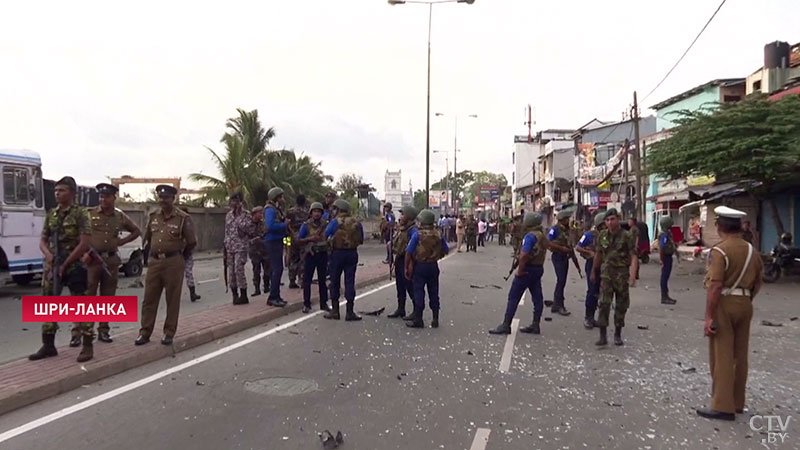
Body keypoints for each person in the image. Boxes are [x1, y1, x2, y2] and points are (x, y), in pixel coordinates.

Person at [696, 206, 763, 421]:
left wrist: (709, 316)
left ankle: (722, 406)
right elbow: (758, 281)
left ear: (720, 227)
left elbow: (715, 285)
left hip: (724, 302)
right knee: (740, 355)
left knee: (722, 354)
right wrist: (745, 299)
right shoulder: (752, 250)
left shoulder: (720, 251)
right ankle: (737, 402)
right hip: (745, 302)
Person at [29, 177, 94, 362]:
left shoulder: (81, 213)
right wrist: (48, 255)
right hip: (53, 264)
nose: (57, 193)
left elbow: (84, 242)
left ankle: (87, 345)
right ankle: (48, 345)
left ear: (72, 193)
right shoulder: (52, 214)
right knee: (49, 304)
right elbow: (42, 240)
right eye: (56, 190)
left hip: (73, 265)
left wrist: (66, 264)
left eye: (62, 190)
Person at [75, 183, 141, 345]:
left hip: (110, 260)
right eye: (101, 196)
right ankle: (80, 332)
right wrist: (83, 253)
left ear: (114, 198)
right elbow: (77, 235)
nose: (103, 199)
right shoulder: (89, 214)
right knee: (86, 297)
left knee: (107, 298)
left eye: (106, 197)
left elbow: (136, 231)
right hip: (91, 261)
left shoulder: (119, 216)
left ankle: (103, 331)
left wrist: (121, 241)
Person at [136, 185, 197, 346]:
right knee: (149, 299)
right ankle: (145, 332)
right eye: (160, 197)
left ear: (173, 199)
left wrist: (181, 257)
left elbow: (191, 242)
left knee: (172, 299)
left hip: (173, 262)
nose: (162, 200)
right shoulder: (153, 216)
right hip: (155, 262)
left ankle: (169, 332)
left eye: (166, 198)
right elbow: (147, 237)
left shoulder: (183, 218)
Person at [489, 212, 548, 335]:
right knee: (537, 297)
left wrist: (520, 270)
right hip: (538, 268)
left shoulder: (530, 236)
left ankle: (506, 324)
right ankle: (536, 324)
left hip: (527, 269)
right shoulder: (542, 235)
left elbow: (525, 254)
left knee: (513, 297)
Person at [591, 208, 637, 347]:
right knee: (604, 303)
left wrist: (633, 276)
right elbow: (599, 254)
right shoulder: (602, 236)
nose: (610, 222)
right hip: (606, 275)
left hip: (621, 275)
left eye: (612, 219)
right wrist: (594, 271)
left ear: (618, 219)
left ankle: (617, 334)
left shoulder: (627, 236)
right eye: (607, 220)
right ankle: (603, 335)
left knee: (621, 305)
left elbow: (634, 256)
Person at [405, 209, 448, 329]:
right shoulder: (438, 234)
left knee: (419, 291)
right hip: (433, 266)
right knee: (434, 292)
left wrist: (407, 266)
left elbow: (409, 251)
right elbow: (445, 250)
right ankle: (435, 319)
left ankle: (418, 319)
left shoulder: (417, 235)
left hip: (420, 266)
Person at [324, 199, 364, 321]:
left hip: (337, 253)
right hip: (352, 253)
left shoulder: (335, 222)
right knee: (349, 281)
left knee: (334, 281)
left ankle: (335, 311)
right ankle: (350, 311)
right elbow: (361, 238)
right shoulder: (356, 222)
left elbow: (326, 234)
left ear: (339, 209)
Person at [296, 202, 329, 313]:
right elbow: (298, 240)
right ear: (311, 213)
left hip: (323, 254)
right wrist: (310, 239)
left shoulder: (325, 224)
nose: (316, 214)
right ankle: (306, 304)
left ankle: (324, 303)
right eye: (314, 211)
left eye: (319, 211)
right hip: (311, 254)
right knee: (307, 281)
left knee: (322, 281)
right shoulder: (306, 225)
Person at [388, 206, 418, 319]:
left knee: (410, 286)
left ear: (409, 217)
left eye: (403, 214)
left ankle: (416, 310)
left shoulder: (413, 230)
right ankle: (401, 309)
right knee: (400, 286)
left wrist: (409, 264)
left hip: (409, 260)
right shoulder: (403, 229)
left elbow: (412, 247)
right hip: (400, 259)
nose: (401, 217)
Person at [576, 214, 605, 329]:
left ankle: (596, 317)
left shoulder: (607, 235)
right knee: (592, 290)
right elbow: (578, 247)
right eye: (603, 224)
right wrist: (590, 253)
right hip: (592, 264)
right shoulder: (589, 235)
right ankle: (588, 317)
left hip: (604, 265)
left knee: (600, 291)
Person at [224, 192, 253, 305]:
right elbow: (226, 231)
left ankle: (243, 294)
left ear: (240, 202)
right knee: (231, 272)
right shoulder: (228, 215)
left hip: (241, 246)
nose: (233, 203)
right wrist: (225, 244)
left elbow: (249, 230)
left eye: (236, 201)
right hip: (230, 247)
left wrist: (239, 215)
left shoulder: (246, 215)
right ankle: (235, 295)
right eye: (232, 201)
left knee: (238, 270)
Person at [264, 187, 289, 307]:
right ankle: (272, 296)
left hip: (278, 240)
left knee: (278, 269)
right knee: (277, 269)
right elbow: (270, 225)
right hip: (272, 240)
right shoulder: (270, 209)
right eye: (281, 197)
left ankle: (276, 295)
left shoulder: (276, 209)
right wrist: (284, 225)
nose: (282, 199)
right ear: (276, 197)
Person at [547, 208, 574, 316]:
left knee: (562, 281)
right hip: (558, 256)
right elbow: (548, 242)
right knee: (561, 280)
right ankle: (559, 305)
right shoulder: (555, 229)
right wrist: (561, 249)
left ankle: (556, 304)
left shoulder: (566, 229)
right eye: (567, 219)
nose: (568, 220)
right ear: (562, 219)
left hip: (565, 257)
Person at [178, 206, 201, 302]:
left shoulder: (188, 225)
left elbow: (193, 241)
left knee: (188, 273)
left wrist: (187, 251)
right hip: (177, 254)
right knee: (176, 276)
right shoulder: (176, 226)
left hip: (186, 253)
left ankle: (192, 293)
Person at [286, 194, 310, 289]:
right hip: (303, 236)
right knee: (303, 258)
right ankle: (302, 280)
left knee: (293, 258)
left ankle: (292, 280)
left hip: (292, 236)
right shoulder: (307, 212)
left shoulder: (290, 211)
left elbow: (286, 223)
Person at [248, 206, 270, 296]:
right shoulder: (248, 224)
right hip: (254, 251)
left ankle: (266, 286)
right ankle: (257, 289)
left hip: (264, 249)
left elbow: (266, 233)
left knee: (267, 269)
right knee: (256, 270)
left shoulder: (263, 224)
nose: (261, 215)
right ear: (254, 214)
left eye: (261, 213)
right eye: (259, 213)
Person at [658, 217, 678, 305]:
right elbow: (662, 247)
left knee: (666, 276)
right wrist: (661, 259)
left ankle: (666, 296)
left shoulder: (667, 233)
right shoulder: (663, 235)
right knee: (664, 277)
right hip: (666, 257)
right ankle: (664, 297)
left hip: (668, 256)